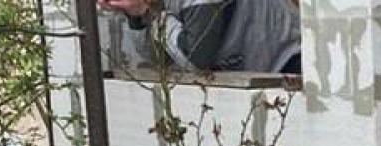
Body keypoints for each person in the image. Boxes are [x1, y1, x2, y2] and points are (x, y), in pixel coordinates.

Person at [100, 0, 302, 75]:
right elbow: (161, 59)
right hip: (250, 73)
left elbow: (196, 59)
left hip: (287, 64)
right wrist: (136, 16)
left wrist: (150, 14)